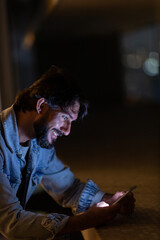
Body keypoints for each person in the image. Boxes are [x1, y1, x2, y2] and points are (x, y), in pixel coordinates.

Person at [0, 65, 135, 240]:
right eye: (65, 117)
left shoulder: (39, 142)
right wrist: (86, 220)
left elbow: (68, 189)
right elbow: (12, 222)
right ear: (41, 106)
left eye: (71, 121)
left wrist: (110, 200)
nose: (67, 130)